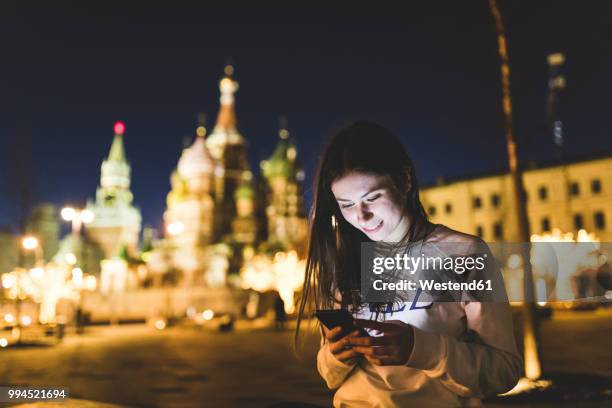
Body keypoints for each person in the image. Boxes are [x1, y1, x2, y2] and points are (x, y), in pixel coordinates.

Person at [295, 121, 521, 407]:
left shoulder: (463, 254)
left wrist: (423, 349)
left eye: (372, 197)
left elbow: (503, 370)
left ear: (404, 180)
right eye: (346, 204)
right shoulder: (347, 261)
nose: (361, 216)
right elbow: (329, 376)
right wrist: (335, 356)